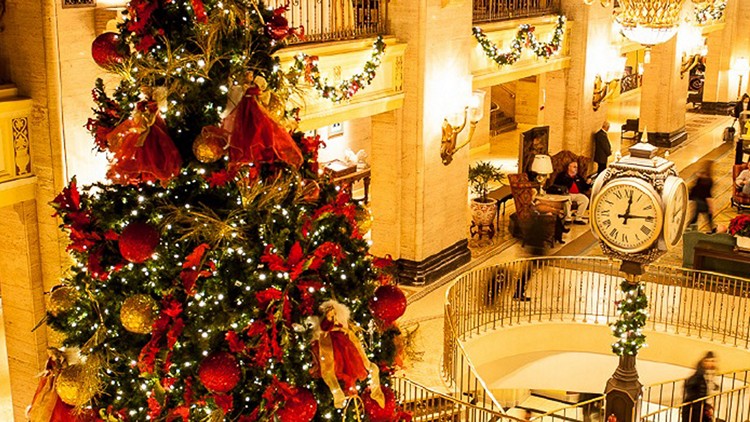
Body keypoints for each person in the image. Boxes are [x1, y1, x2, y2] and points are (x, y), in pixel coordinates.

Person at [682, 351, 719, 422]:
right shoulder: (699, 376)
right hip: (696, 410)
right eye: (709, 361)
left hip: (701, 408)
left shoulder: (708, 374)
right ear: (704, 361)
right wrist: (706, 406)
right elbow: (694, 392)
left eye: (713, 361)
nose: (711, 363)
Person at [553, 161, 592, 225]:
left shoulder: (578, 177)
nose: (576, 168)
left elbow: (584, 187)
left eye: (576, 167)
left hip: (577, 194)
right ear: (569, 167)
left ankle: (578, 218)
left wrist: (588, 183)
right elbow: (558, 185)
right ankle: (567, 218)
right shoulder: (562, 175)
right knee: (567, 199)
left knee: (585, 199)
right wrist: (571, 178)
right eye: (574, 167)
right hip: (566, 194)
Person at [688, 160, 715, 233]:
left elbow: (695, 187)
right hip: (702, 202)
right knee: (708, 216)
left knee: (696, 216)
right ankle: (712, 230)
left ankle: (689, 228)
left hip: (696, 199)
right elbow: (707, 195)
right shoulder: (709, 181)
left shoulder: (700, 178)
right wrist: (711, 206)